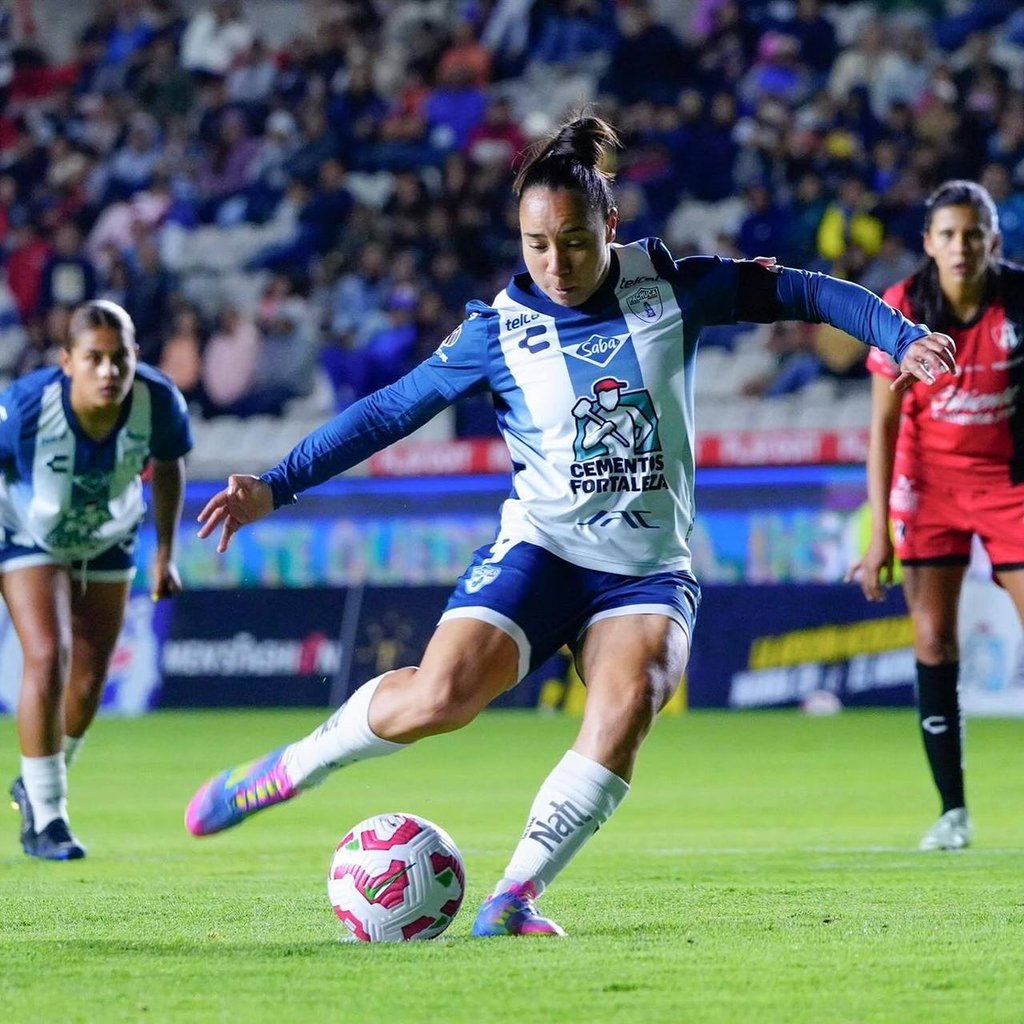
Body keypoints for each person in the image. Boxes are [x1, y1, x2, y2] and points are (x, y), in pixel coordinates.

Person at [185, 114, 956, 935]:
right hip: (542, 550)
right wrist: (276, 485)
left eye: (576, 242)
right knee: (440, 697)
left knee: (631, 700)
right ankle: (288, 770)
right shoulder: (496, 334)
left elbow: (806, 290)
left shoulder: (673, 287)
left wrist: (900, 336)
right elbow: (386, 413)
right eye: (536, 244)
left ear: (610, 227)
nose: (556, 263)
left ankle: (513, 897)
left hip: (647, 568)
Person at [848, 180, 1024, 853]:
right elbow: (883, 426)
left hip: (1010, 484)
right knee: (933, 642)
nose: (961, 246)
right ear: (928, 243)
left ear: (993, 240)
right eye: (947, 234)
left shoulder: (1018, 301)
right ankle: (953, 813)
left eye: (973, 233)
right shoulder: (903, 308)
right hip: (929, 490)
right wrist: (878, 537)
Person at [1, 300, 192, 860]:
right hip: (26, 534)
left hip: (110, 535)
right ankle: (49, 817)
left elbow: (170, 466)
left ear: (134, 356)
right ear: (67, 362)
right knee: (48, 655)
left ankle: (37, 782)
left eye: (118, 359)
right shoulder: (25, 408)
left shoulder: (159, 402)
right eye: (93, 359)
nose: (108, 372)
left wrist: (165, 555)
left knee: (88, 682)